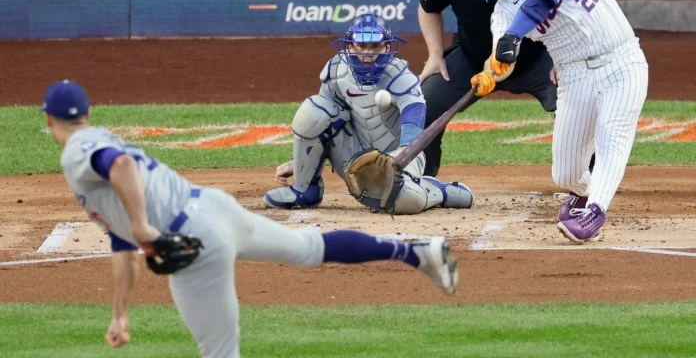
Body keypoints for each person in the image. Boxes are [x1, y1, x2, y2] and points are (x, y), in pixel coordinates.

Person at [41, 79, 459, 357]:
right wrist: (119, 313)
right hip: (213, 208)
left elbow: (122, 169)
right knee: (310, 249)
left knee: (221, 353)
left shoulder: (79, 149)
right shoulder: (95, 146)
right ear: (86, 113)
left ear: (48, 119)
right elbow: (123, 247)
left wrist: (141, 226)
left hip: (197, 242)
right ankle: (416, 253)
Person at [457, 0, 649, 242]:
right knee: (565, 175)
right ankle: (584, 195)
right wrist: (489, 72)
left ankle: (595, 214)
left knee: (612, 135)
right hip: (574, 77)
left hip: (622, 62)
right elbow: (503, 57)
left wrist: (515, 35)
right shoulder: (502, 13)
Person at [265, 12, 474, 214]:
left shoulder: (399, 74)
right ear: (350, 45)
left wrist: (403, 151)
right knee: (313, 111)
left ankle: (437, 190)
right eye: (361, 45)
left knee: (405, 201)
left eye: (375, 46)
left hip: (399, 157)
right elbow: (323, 120)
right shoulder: (337, 70)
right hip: (355, 157)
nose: (368, 53)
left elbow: (414, 112)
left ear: (386, 45)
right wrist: (302, 163)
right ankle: (305, 189)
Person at [418, 0, 557, 177]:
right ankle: (423, 175)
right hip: (473, 60)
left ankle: (591, 177)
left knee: (576, 99)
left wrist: (563, 60)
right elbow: (427, 7)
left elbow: (563, 14)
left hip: (535, 58)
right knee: (425, 103)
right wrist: (435, 55)